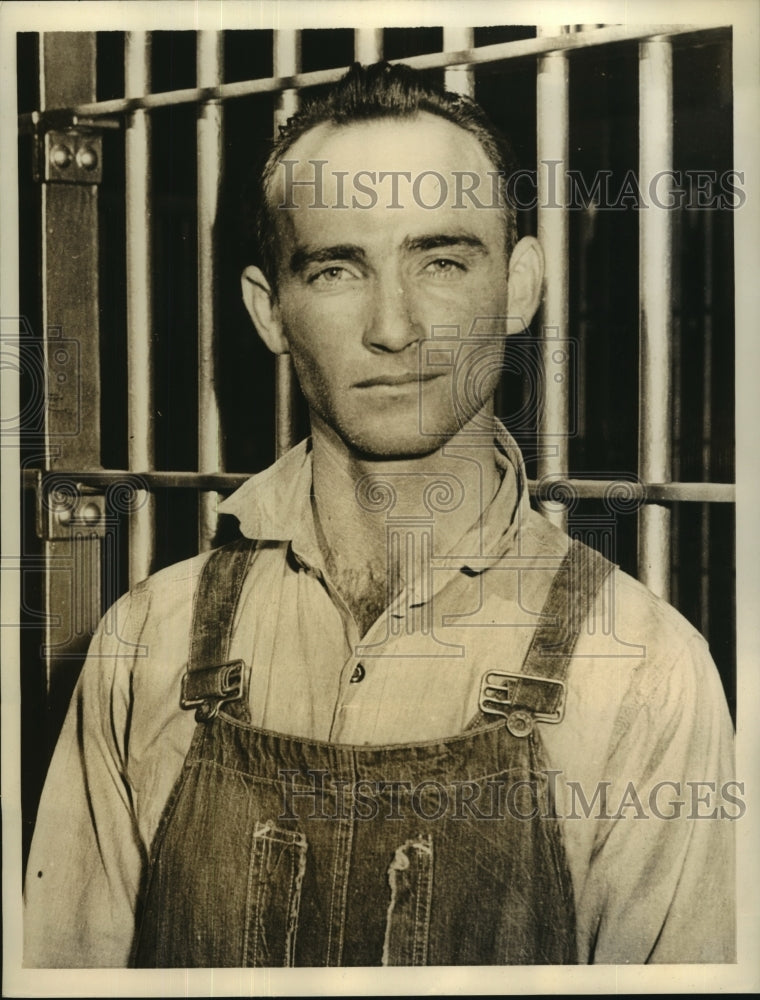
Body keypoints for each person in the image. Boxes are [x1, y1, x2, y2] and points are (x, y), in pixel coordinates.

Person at [24, 62, 735, 968]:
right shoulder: (146, 641)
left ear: (520, 287)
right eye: (336, 268)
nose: (393, 329)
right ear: (268, 311)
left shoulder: (644, 672)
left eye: (441, 260)